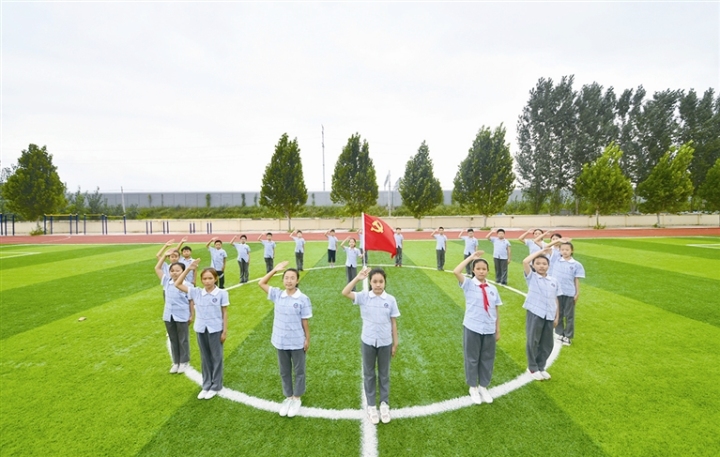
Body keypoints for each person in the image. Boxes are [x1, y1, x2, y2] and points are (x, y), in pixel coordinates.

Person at [342, 267, 400, 424]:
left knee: (384, 374)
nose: (378, 285)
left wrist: (395, 343)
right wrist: (357, 279)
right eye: (374, 281)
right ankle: (371, 405)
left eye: (381, 281)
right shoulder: (364, 297)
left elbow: (393, 323)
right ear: (370, 282)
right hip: (367, 341)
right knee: (369, 374)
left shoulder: (390, 300)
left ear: (385, 282)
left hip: (385, 342)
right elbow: (345, 292)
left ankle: (384, 403)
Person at [258, 261, 312, 418]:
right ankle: (288, 397)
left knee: (299, 370)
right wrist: (274, 269)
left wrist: (307, 339)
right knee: (284, 370)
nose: (289, 281)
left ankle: (297, 398)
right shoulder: (277, 294)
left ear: (297, 280)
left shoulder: (303, 298)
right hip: (280, 340)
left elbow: (305, 321)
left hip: (296, 341)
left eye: (292, 278)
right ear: (283, 280)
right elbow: (262, 282)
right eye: (286, 278)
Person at [175, 259, 229, 399]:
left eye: (210, 278)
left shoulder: (222, 293)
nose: (207, 281)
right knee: (205, 358)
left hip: (216, 329)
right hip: (201, 328)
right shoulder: (196, 292)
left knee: (216, 357)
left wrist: (224, 331)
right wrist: (188, 269)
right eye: (204, 278)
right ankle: (206, 385)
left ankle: (216, 385)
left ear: (215, 279)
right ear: (201, 280)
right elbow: (178, 283)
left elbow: (225, 312)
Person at [453, 251, 501, 405]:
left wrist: (497, 329)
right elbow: (456, 271)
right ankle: (473, 386)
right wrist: (470, 258)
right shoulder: (468, 284)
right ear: (473, 270)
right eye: (478, 268)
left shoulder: (492, 289)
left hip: (489, 328)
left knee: (487, 358)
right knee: (472, 358)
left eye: (484, 269)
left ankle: (483, 386)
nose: (481, 271)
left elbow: (496, 310)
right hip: (472, 326)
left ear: (487, 271)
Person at [522, 247, 560, 381]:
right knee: (533, 340)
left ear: (549, 266)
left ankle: (541, 366)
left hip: (549, 314)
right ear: (533, 265)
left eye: (544, 264)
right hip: (535, 312)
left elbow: (555, 299)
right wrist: (542, 251)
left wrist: (557, 315)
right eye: (538, 263)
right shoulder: (532, 277)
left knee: (547, 343)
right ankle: (532, 368)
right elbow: (525, 261)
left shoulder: (553, 281)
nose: (541, 266)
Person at [154, 248, 192, 374]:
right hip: (168, 315)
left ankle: (184, 361)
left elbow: (191, 301)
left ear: (183, 272)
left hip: (182, 315)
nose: (174, 273)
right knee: (173, 338)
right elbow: (157, 269)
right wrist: (164, 256)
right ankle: (176, 362)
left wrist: (191, 315)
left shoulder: (188, 285)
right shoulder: (167, 282)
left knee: (183, 338)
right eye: (172, 271)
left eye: (177, 271)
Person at [548, 241, 585, 346]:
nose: (564, 252)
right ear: (559, 250)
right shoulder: (556, 260)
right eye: (562, 249)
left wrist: (577, 293)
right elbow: (547, 247)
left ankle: (568, 336)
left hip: (569, 292)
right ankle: (559, 333)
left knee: (569, 315)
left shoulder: (576, 264)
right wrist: (557, 241)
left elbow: (576, 280)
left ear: (572, 251)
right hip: (557, 292)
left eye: (567, 249)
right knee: (558, 314)